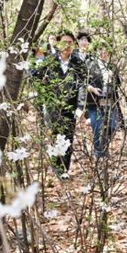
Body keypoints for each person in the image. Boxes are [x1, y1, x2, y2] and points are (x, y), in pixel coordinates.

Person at [32, 30, 79, 176]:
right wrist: (46, 96)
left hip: (71, 107)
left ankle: (64, 169)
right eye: (64, 42)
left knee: (68, 138)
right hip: (53, 107)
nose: (67, 45)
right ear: (58, 44)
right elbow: (36, 77)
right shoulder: (50, 61)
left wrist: (81, 105)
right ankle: (57, 168)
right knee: (55, 137)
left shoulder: (77, 62)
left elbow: (84, 83)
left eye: (70, 42)